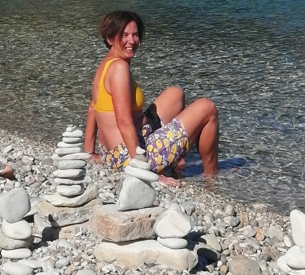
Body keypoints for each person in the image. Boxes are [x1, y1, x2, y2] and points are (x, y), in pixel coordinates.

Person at [84, 10, 219, 178]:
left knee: (175, 94)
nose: (131, 41)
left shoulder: (106, 64)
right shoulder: (119, 68)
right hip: (128, 157)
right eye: (124, 35)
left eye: (135, 35)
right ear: (110, 38)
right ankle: (212, 177)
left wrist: (89, 152)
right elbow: (124, 123)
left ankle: (175, 162)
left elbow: (93, 108)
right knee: (207, 108)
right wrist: (142, 169)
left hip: (113, 153)